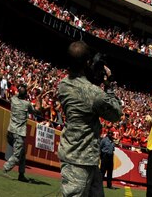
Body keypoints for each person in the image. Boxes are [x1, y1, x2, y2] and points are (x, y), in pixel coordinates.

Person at [57, 41, 123, 197]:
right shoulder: (93, 93)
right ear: (87, 62)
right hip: (81, 159)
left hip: (80, 154)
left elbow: (82, 89)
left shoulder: (63, 85)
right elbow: (116, 114)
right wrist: (108, 85)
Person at [2, 83, 38, 182]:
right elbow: (35, 111)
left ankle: (21, 175)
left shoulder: (13, 100)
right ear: (25, 95)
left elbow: (18, 94)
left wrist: (23, 88)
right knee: (18, 154)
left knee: (22, 154)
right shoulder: (27, 104)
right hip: (19, 133)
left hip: (10, 131)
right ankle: (5, 169)